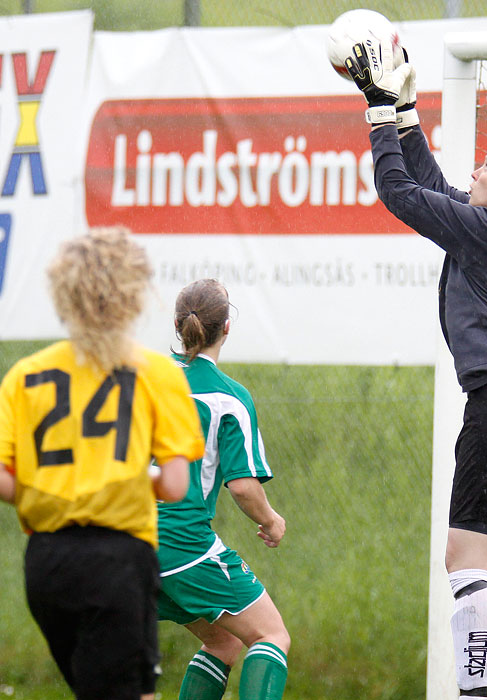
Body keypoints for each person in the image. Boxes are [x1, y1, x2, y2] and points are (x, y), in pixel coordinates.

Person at [345, 42, 487, 700]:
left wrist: (377, 107)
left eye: (486, 166)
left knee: (463, 564)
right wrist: (405, 111)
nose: (474, 169)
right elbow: (430, 190)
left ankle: (470, 694)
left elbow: (396, 191)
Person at [0, 227, 205, 700]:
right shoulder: (156, 373)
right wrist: (127, 479)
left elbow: (6, 481)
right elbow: (175, 485)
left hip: (46, 564)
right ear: (134, 293)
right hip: (117, 560)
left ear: (62, 292)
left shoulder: (25, 375)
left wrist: (56, 483)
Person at [156, 278, 290, 700]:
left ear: (177, 325)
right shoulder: (228, 397)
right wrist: (271, 521)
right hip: (179, 542)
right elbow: (243, 487)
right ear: (227, 328)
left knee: (223, 641)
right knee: (271, 636)